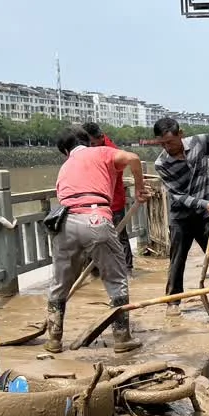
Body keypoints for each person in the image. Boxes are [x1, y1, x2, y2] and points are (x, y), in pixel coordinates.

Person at [47, 126, 150, 354]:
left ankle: (54, 338)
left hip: (64, 223)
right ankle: (122, 337)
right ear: (88, 141)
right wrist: (140, 188)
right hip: (95, 218)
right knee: (116, 279)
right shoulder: (101, 152)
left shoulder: (65, 167)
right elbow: (133, 158)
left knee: (60, 282)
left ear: (66, 151)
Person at [153, 112, 209, 319]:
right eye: (162, 143)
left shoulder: (199, 143)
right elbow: (178, 195)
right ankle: (173, 301)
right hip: (181, 218)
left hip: (206, 215)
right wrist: (204, 203)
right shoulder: (161, 164)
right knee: (177, 259)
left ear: (180, 134)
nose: (167, 147)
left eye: (170, 142)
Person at [82, 122, 134, 270]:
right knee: (93, 237)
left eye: (92, 143)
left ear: (100, 138)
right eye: (87, 143)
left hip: (113, 201)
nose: (89, 146)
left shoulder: (111, 152)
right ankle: (96, 271)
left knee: (119, 236)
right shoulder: (87, 150)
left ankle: (127, 269)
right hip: (92, 202)